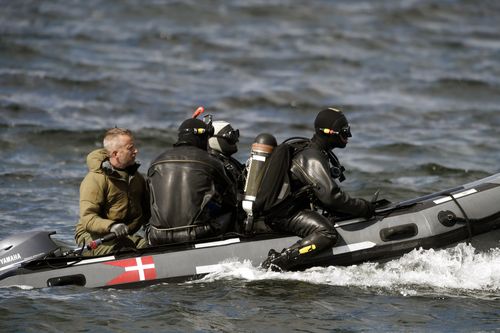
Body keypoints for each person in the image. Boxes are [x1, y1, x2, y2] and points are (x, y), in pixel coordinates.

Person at [260, 107, 375, 271]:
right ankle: (278, 262)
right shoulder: (312, 156)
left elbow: (324, 198)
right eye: (345, 131)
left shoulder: (314, 152)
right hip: (284, 215)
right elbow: (331, 197)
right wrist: (364, 208)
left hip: (286, 211)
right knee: (326, 233)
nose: (349, 135)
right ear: (330, 132)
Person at [146, 116, 237, 245]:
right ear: (203, 138)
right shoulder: (211, 162)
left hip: (157, 235)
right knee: (234, 210)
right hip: (197, 234)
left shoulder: (155, 161)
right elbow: (231, 198)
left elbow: (148, 200)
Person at [75, 128, 150, 256]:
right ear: (115, 154)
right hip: (93, 238)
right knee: (126, 251)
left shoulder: (137, 178)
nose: (136, 151)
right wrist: (112, 226)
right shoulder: (95, 179)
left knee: (151, 247)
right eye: (130, 148)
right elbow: (88, 218)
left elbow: (148, 213)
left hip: (125, 237)